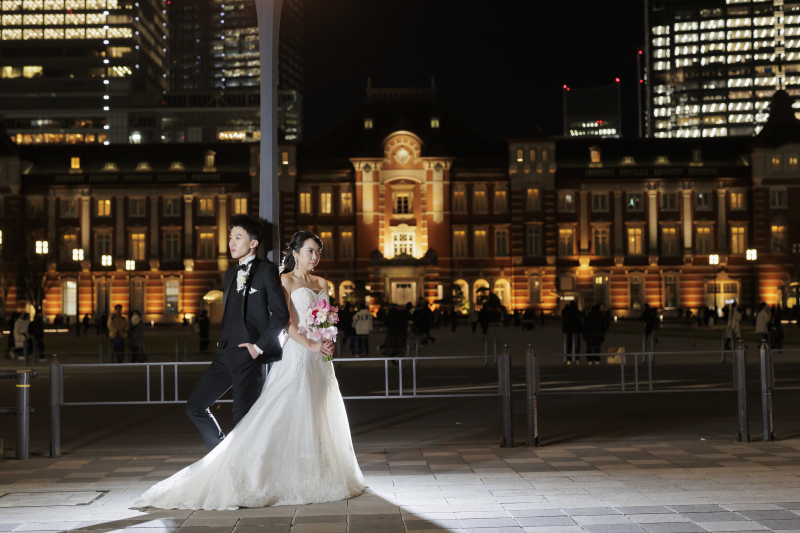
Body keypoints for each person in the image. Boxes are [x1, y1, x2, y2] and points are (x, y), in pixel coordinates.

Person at [139, 229, 365, 510]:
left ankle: (320, 468)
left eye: (318, 252)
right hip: (299, 353)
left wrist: (329, 339)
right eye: (310, 251)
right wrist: (310, 344)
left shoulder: (322, 282)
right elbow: (287, 323)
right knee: (286, 410)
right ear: (295, 253)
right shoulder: (284, 280)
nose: (315, 257)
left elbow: (328, 318)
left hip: (321, 358)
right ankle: (256, 466)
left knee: (320, 410)